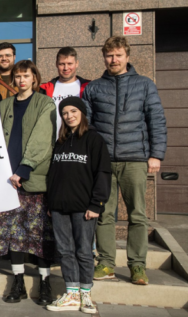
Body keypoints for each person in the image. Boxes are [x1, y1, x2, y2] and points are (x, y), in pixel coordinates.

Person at [82, 36, 167, 285]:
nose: (114, 59)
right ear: (104, 57)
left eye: (118, 55)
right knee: (105, 214)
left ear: (127, 56)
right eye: (109, 55)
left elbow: (157, 120)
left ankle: (137, 266)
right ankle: (107, 263)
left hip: (136, 159)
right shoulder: (94, 88)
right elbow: (86, 125)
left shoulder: (144, 85)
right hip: (104, 161)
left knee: (137, 215)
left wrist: (156, 154)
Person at [0, 60, 56, 305]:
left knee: (39, 235)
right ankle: (18, 281)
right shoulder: (4, 104)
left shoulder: (45, 103)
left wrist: (24, 169)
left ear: (34, 78)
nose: (21, 80)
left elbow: (42, 139)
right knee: (13, 234)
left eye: (26, 75)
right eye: (17, 76)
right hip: (7, 182)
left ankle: (45, 282)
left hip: (32, 180)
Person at [45, 97, 111, 313]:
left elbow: (102, 173)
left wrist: (96, 204)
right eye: (65, 113)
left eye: (73, 111)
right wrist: (50, 202)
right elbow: (53, 174)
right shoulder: (61, 141)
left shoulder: (94, 140)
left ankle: (86, 295)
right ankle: (72, 294)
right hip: (59, 206)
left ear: (82, 113)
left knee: (83, 251)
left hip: (84, 208)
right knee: (65, 251)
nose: (69, 116)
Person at [40, 47, 91, 137]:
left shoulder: (88, 87)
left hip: (79, 141)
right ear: (56, 64)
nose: (66, 68)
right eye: (62, 64)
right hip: (52, 143)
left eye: (69, 64)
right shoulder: (44, 89)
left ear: (77, 63)